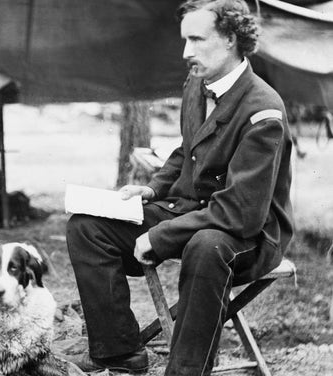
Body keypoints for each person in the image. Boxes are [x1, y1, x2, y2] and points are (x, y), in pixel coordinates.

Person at [65, 0, 294, 375]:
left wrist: (161, 235)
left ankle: (187, 370)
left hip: (249, 235)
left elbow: (240, 214)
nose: (186, 52)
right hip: (193, 212)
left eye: (197, 39)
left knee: (207, 247)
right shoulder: (198, 82)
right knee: (87, 228)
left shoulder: (263, 111)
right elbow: (187, 147)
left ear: (231, 40)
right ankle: (120, 353)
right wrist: (153, 190)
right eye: (184, 40)